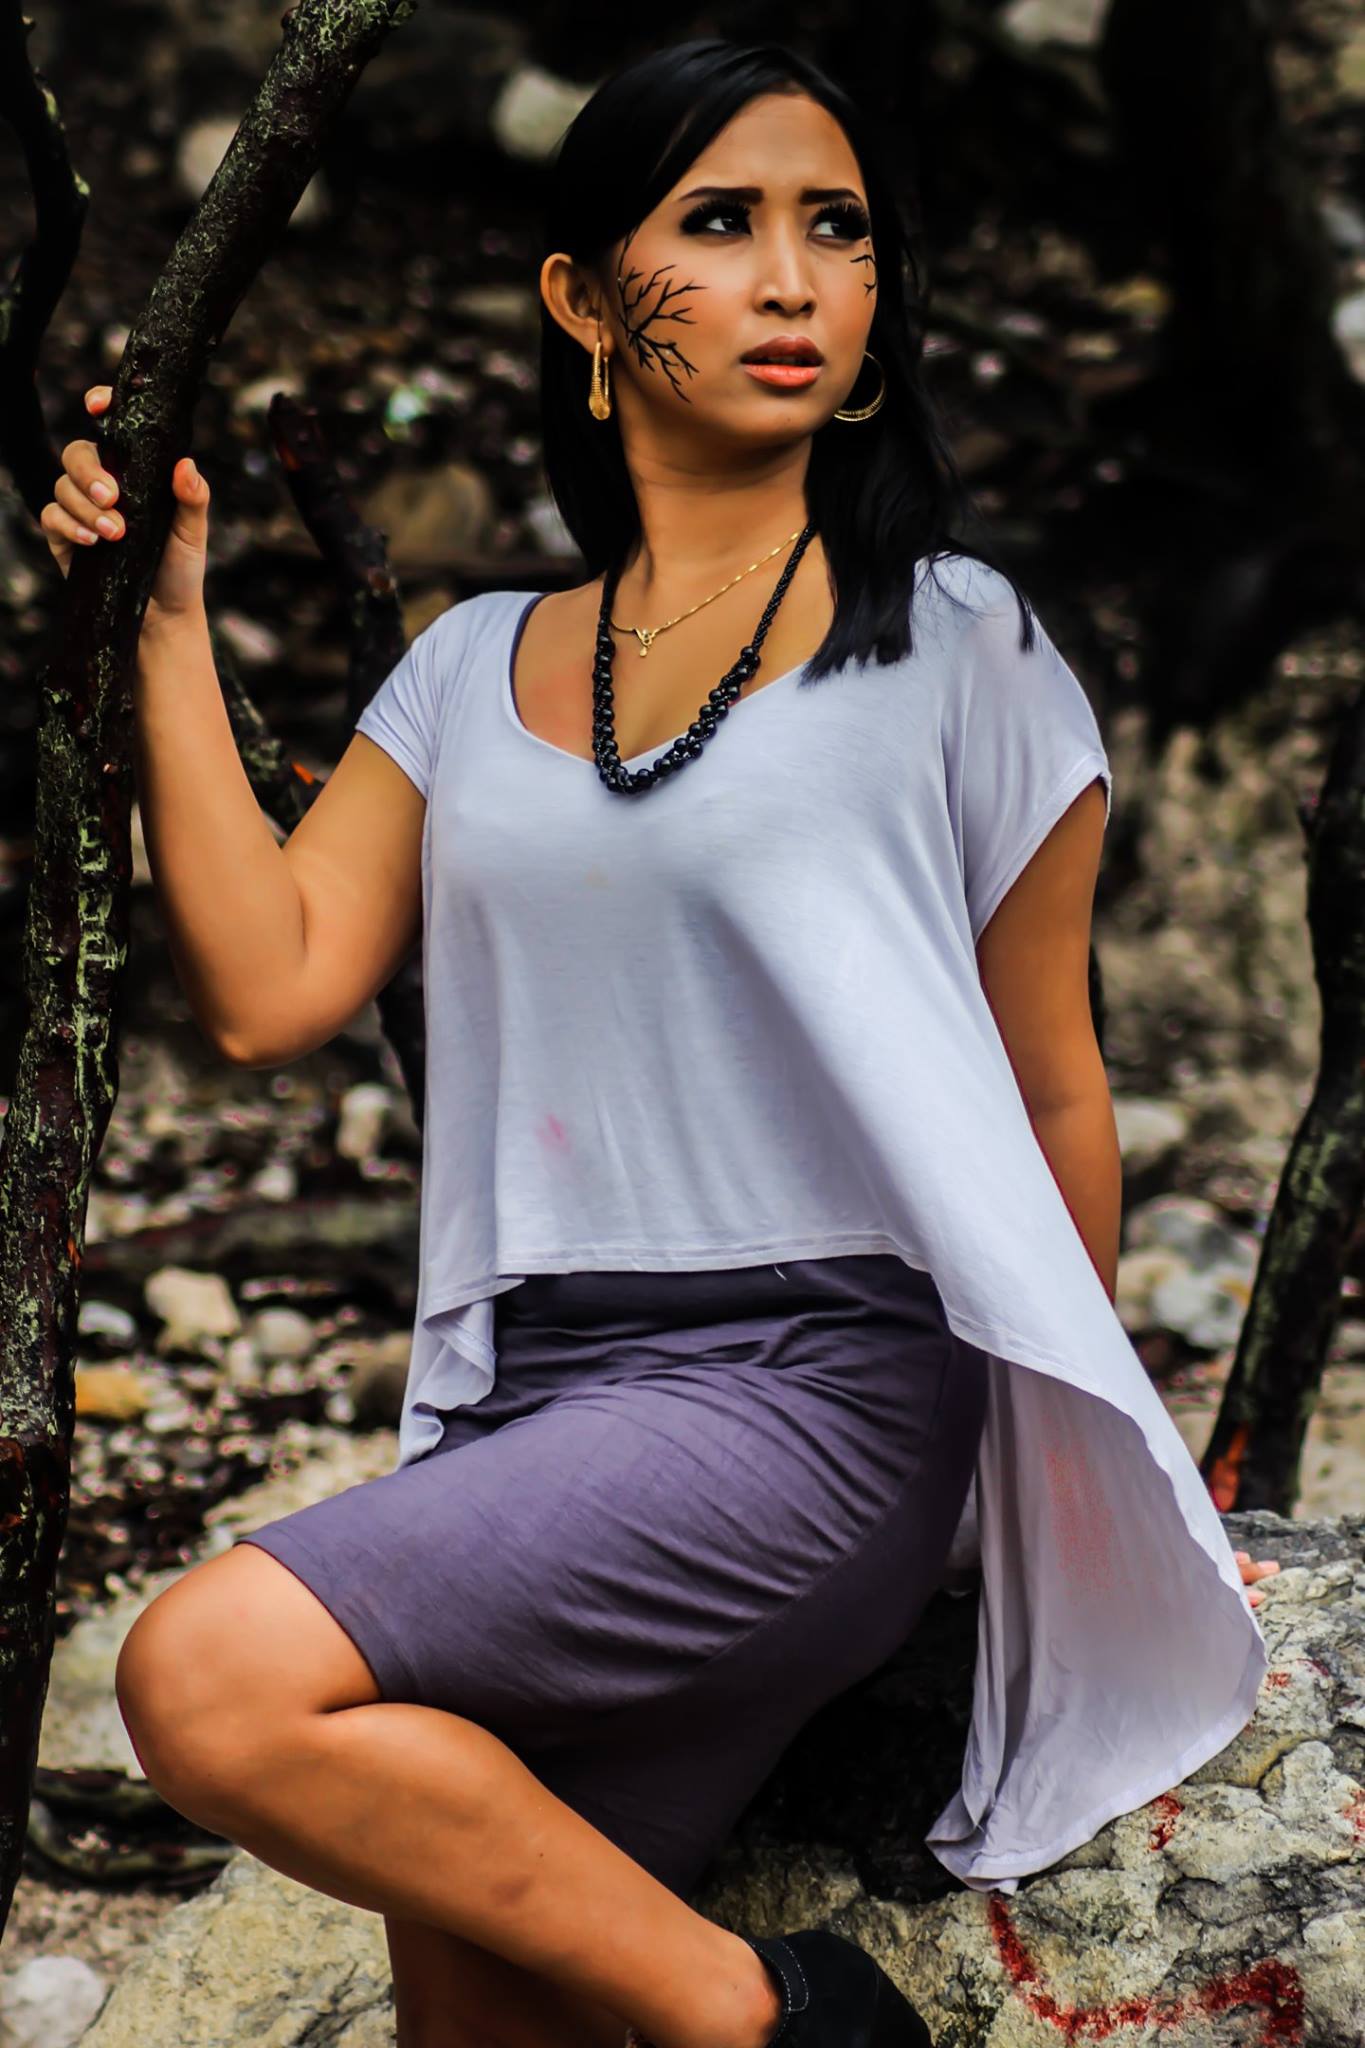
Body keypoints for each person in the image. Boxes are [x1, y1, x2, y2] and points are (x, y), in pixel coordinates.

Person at [42, 34, 1282, 2048]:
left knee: (206, 1677)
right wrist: (166, 622)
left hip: (814, 1396)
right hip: (535, 1415)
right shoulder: (463, 666)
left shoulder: (955, 640)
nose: (792, 279)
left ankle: (773, 2017)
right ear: (583, 298)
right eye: (719, 222)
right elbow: (268, 987)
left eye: (836, 228)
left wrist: (1066, 1488)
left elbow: (1050, 1085)